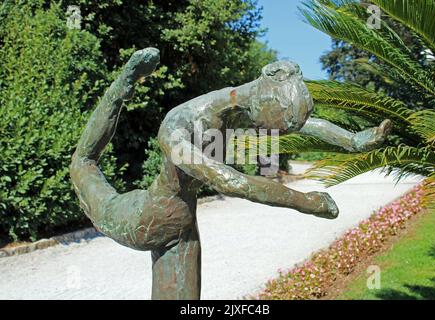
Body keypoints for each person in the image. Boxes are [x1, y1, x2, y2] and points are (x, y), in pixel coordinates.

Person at [70, 47, 391, 299]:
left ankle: (121, 89)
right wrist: (307, 201)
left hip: (180, 226)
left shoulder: (238, 103)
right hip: (144, 221)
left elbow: (306, 124)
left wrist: (352, 140)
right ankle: (120, 89)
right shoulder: (175, 129)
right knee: (83, 163)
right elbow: (236, 183)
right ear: (262, 100)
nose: (272, 134)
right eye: (273, 126)